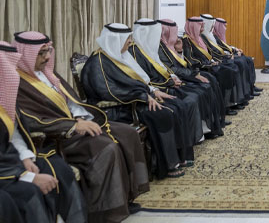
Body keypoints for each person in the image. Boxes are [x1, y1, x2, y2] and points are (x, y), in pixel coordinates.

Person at [13, 31, 149, 223]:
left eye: (49, 51)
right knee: (106, 147)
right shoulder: (18, 83)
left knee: (127, 134)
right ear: (26, 53)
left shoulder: (47, 73)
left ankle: (126, 197)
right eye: (41, 53)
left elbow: (71, 101)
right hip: (57, 135)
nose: (47, 57)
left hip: (77, 122)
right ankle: (104, 211)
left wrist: (80, 116)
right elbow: (31, 120)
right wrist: (73, 125)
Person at [81, 23, 190, 180]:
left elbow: (138, 81)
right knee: (163, 114)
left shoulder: (120, 56)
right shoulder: (97, 62)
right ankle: (166, 165)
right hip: (117, 108)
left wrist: (151, 92)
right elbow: (108, 92)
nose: (130, 42)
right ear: (116, 40)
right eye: (127, 39)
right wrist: (143, 96)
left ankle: (178, 157)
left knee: (175, 106)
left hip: (133, 101)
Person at [0, 40, 84, 223]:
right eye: (8, 68)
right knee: (30, 194)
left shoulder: (4, 97)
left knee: (59, 170)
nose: (13, 73)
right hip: (7, 169)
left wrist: (25, 156)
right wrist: (26, 176)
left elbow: (14, 133)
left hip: (15, 158)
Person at [130, 19, 204, 156]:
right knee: (184, 103)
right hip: (155, 91)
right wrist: (167, 83)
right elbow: (143, 80)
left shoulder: (150, 48)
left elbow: (163, 67)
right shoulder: (134, 52)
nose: (158, 38)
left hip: (163, 85)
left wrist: (172, 77)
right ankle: (180, 151)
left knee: (194, 95)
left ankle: (191, 140)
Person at [158, 18, 226, 135]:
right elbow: (175, 68)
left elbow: (180, 64)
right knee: (203, 87)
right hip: (174, 80)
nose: (175, 35)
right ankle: (204, 126)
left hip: (184, 74)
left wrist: (179, 52)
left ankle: (212, 122)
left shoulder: (171, 44)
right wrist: (194, 74)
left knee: (209, 82)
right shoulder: (162, 47)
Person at [213, 17, 263, 95]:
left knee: (248, 60)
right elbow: (219, 50)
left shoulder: (218, 35)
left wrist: (235, 49)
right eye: (224, 26)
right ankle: (246, 91)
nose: (225, 29)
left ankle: (251, 86)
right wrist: (232, 53)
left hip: (228, 55)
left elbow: (226, 46)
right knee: (242, 61)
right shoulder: (213, 37)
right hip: (223, 59)